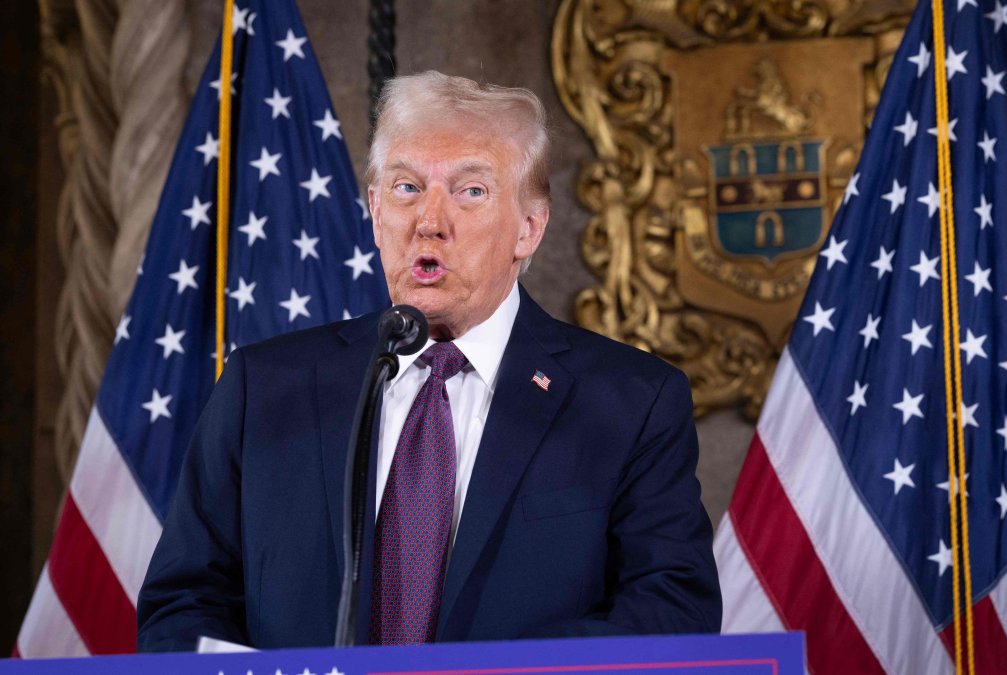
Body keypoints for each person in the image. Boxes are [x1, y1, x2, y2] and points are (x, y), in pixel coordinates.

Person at [137, 71, 720, 651]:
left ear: (530, 228)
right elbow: (183, 604)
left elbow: (670, 610)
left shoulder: (631, 403)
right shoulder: (263, 388)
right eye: (406, 188)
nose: (429, 222)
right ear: (374, 211)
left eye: (471, 192)